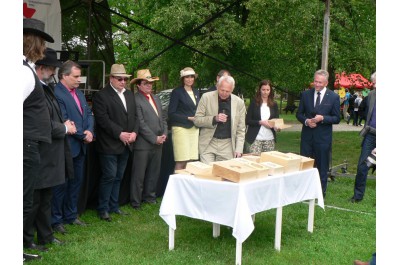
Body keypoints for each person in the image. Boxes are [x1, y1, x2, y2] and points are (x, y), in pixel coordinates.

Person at [24, 48, 76, 252]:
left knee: (45, 199)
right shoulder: (35, 88)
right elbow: (42, 122)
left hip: (49, 151)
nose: (54, 72)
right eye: (52, 68)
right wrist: (65, 127)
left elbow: (49, 119)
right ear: (42, 68)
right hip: (41, 150)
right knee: (34, 201)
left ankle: (45, 236)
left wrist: (63, 123)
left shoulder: (45, 87)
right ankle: (27, 239)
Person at [23, 18, 54, 261]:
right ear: (34, 42)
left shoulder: (25, 69)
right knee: (24, 198)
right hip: (25, 144)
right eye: (42, 42)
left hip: (29, 142)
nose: (44, 48)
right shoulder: (23, 72)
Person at [52, 60, 95, 233]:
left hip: (81, 146)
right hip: (66, 146)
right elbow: (63, 120)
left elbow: (89, 114)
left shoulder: (79, 93)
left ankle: (71, 215)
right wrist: (83, 135)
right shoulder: (57, 93)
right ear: (64, 76)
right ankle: (56, 220)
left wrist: (90, 131)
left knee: (76, 182)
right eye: (76, 76)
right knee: (61, 185)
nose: (79, 80)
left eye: (80, 76)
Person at [92, 64, 138, 221]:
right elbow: (102, 120)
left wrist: (134, 133)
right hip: (109, 144)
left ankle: (114, 206)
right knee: (109, 176)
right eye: (120, 79)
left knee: (119, 176)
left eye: (125, 79)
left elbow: (135, 117)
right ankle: (103, 209)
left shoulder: (130, 95)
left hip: (127, 143)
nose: (123, 81)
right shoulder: (101, 95)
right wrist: (119, 133)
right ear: (111, 79)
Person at [296, 69, 340, 197]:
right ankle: (304, 192)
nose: (317, 84)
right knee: (305, 165)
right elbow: (299, 114)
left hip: (323, 139)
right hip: (307, 138)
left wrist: (323, 118)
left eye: (320, 82)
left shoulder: (333, 97)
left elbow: (337, 118)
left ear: (326, 83)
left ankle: (320, 193)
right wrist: (306, 121)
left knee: (322, 167)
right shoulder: (305, 95)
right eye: (315, 81)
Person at [130, 69, 168, 209]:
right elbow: (140, 123)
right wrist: (154, 138)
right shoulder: (135, 99)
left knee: (154, 172)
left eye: (151, 83)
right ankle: (136, 201)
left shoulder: (156, 98)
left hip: (159, 141)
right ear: (139, 85)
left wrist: (164, 133)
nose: (149, 86)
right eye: (146, 83)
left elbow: (163, 118)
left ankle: (150, 197)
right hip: (143, 143)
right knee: (139, 174)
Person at [194, 75, 246, 164]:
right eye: (222, 90)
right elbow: (197, 120)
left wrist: (239, 149)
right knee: (207, 174)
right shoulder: (206, 97)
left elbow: (241, 129)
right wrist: (214, 119)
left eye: (227, 91)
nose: (224, 93)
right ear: (217, 86)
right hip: (208, 143)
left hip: (228, 145)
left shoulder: (239, 103)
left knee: (224, 175)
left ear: (232, 90)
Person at [350, 72, 376, 203]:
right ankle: (357, 196)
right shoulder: (371, 95)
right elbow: (362, 110)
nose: (374, 85)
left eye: (377, 82)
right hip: (370, 134)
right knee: (363, 165)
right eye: (374, 82)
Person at [168, 67, 200, 170]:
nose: (190, 79)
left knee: (190, 161)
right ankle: (176, 185)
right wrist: (188, 118)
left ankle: (186, 185)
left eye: (192, 77)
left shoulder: (196, 91)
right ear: (183, 78)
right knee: (181, 160)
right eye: (187, 77)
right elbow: (171, 114)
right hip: (181, 129)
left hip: (194, 129)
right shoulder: (177, 92)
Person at [245, 80, 280, 155]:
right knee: (254, 163)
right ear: (259, 90)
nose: (265, 92)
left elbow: (276, 121)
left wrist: (277, 127)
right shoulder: (254, 103)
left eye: (268, 90)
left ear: (270, 90)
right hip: (256, 139)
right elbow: (247, 120)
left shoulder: (274, 104)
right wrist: (260, 122)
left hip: (269, 139)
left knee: (268, 163)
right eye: (263, 89)